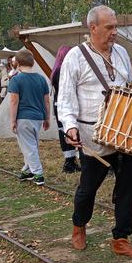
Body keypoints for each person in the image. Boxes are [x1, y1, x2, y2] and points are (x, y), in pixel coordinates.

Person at [58, 5, 132, 258]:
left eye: (116, 27)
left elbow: (127, 85)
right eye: (109, 27)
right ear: (93, 28)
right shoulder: (75, 57)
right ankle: (79, 225)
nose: (115, 32)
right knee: (88, 188)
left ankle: (121, 238)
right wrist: (70, 127)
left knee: (127, 187)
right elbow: (66, 99)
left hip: (124, 132)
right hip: (93, 137)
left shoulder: (122, 52)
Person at [8, 49, 50, 186]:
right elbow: (47, 101)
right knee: (31, 145)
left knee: (29, 147)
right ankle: (27, 171)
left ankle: (38, 173)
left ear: (18, 63)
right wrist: (47, 118)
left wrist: (13, 120)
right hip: (38, 117)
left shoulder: (16, 80)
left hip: (23, 117)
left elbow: (14, 101)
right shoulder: (41, 79)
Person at [50, 45, 80, 173]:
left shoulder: (56, 70)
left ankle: (70, 161)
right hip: (64, 106)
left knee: (66, 132)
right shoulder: (62, 71)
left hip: (58, 105)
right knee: (68, 132)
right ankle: (69, 162)